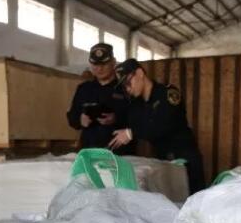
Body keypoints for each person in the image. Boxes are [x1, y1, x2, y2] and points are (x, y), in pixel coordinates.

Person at [109, 58, 205, 194]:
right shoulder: (136, 104)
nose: (128, 89)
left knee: (195, 199)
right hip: (164, 162)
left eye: (128, 82)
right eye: (124, 87)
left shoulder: (167, 93)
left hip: (185, 159)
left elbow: (164, 124)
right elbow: (134, 124)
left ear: (140, 73)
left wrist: (131, 133)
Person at [66, 43, 134, 155]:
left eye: (104, 64)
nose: (99, 68)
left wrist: (117, 118)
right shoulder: (84, 89)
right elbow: (71, 116)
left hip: (120, 153)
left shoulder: (126, 88)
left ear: (113, 62)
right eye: (95, 65)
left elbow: (139, 118)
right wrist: (80, 120)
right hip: (89, 152)